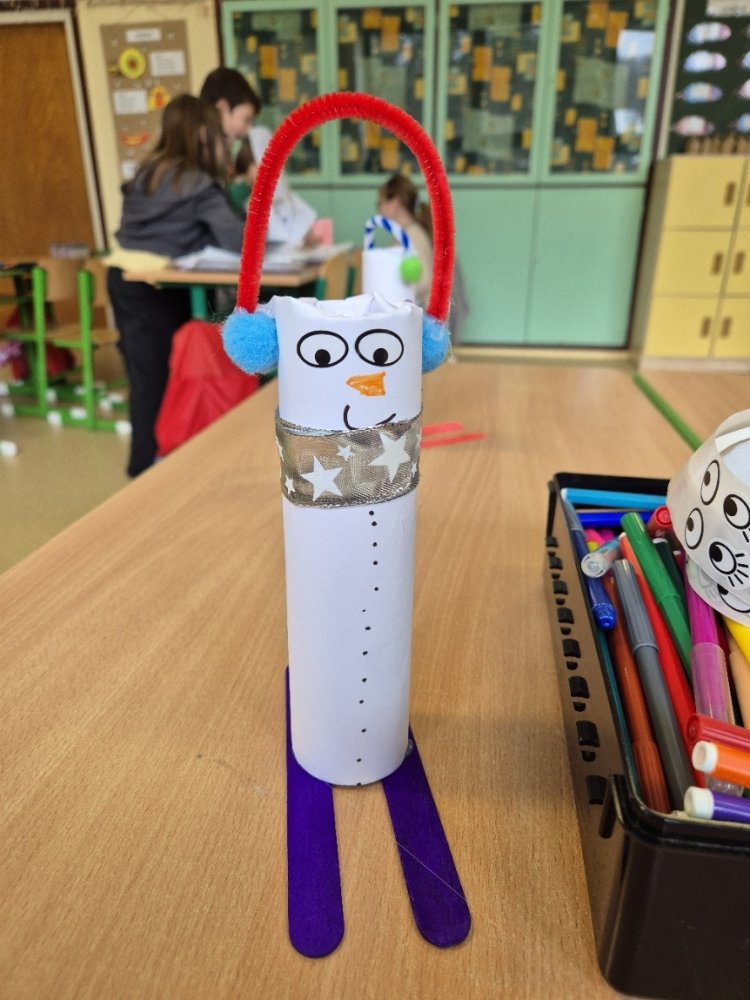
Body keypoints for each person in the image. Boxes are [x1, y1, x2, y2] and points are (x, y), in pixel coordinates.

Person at [107, 94, 245, 478]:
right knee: (172, 379)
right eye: (219, 136)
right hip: (162, 291)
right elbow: (238, 240)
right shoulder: (198, 183)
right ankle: (161, 468)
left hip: (125, 280)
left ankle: (142, 466)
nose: (224, 145)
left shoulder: (146, 173)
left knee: (144, 381)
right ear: (203, 135)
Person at [200, 67, 318, 246]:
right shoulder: (201, 155)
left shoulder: (224, 153)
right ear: (222, 108)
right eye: (246, 119)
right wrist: (247, 185)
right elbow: (218, 205)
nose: (247, 129)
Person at [377, 174, 433, 307]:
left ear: (395, 203)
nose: (378, 210)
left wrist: (394, 293)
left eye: (380, 203)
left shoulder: (411, 237)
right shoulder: (406, 233)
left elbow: (424, 281)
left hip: (421, 311)